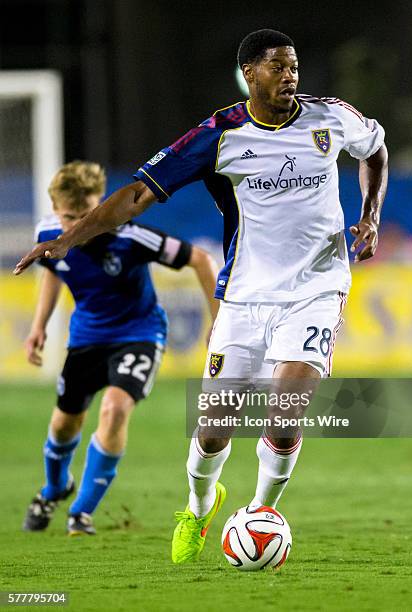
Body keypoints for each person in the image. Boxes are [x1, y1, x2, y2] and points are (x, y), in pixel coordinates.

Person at [15, 29, 388, 560]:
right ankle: (199, 505)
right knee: (215, 429)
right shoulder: (220, 135)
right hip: (244, 296)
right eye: (278, 67)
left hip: (317, 287)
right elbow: (137, 195)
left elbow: (374, 149)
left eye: (295, 66)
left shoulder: (331, 117)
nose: (291, 76)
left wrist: (370, 215)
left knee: (285, 413)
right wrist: (67, 239)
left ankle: (262, 510)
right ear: (250, 74)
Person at [22, 160, 219, 535]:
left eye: (88, 215)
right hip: (86, 338)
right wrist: (38, 326)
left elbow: (200, 258)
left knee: (113, 410)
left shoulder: (130, 237)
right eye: (69, 217)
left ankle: (81, 512)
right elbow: (53, 272)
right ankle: (54, 488)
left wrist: (218, 318)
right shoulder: (47, 233)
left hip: (138, 334)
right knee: (65, 425)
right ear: (54, 211)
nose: (78, 226)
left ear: (101, 207)